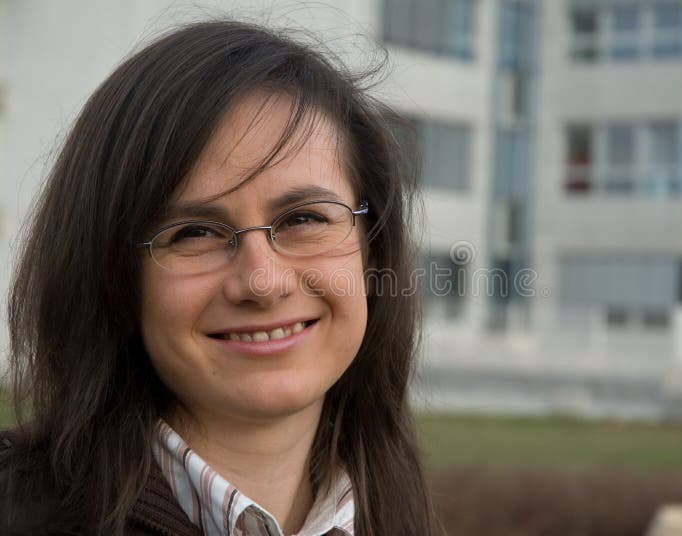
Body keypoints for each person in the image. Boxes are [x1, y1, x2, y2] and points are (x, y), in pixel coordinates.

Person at [0, 20, 438, 536]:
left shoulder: (403, 516)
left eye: (304, 219)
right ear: (113, 277)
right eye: (195, 233)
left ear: (372, 252)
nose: (261, 281)